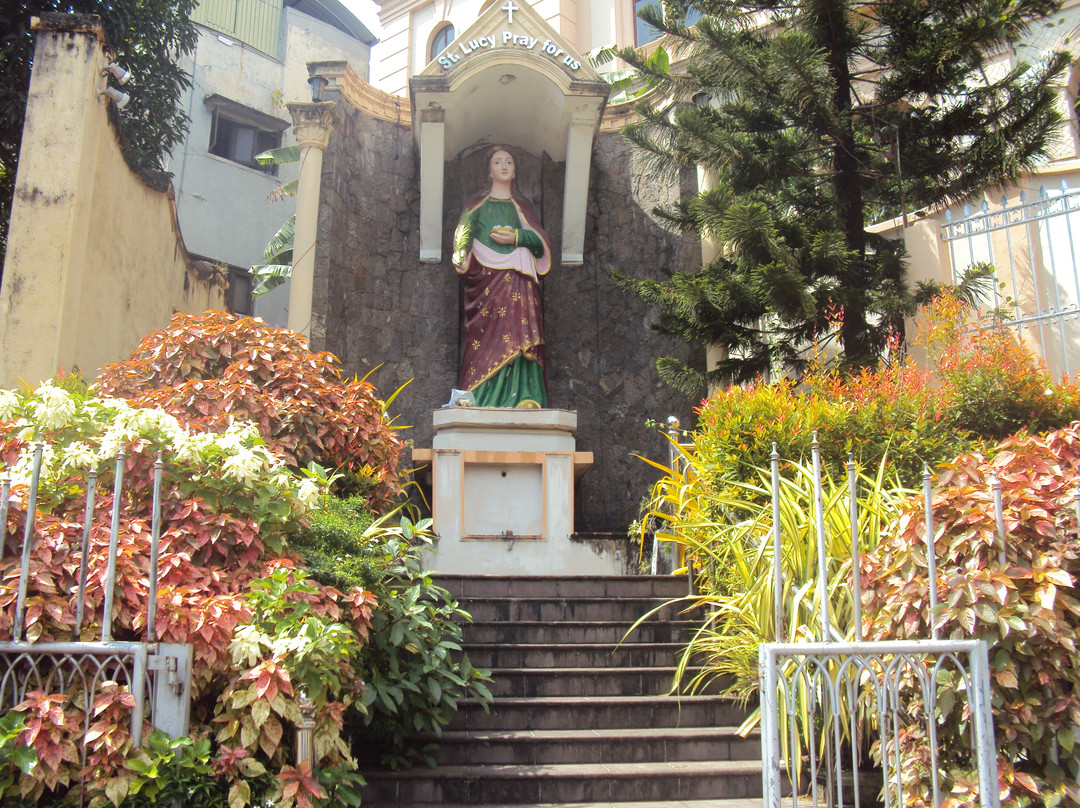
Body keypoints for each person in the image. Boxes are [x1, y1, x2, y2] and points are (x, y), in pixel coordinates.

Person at [452, 147, 552, 408]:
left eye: (509, 162)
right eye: (498, 162)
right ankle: (478, 396)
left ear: (515, 169)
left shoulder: (522, 207)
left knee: (519, 334)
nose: (504, 166)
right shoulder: (477, 204)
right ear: (490, 170)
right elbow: (465, 229)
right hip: (485, 282)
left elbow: (540, 245)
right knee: (484, 339)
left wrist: (517, 237)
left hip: (518, 281)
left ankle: (525, 396)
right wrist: (461, 252)